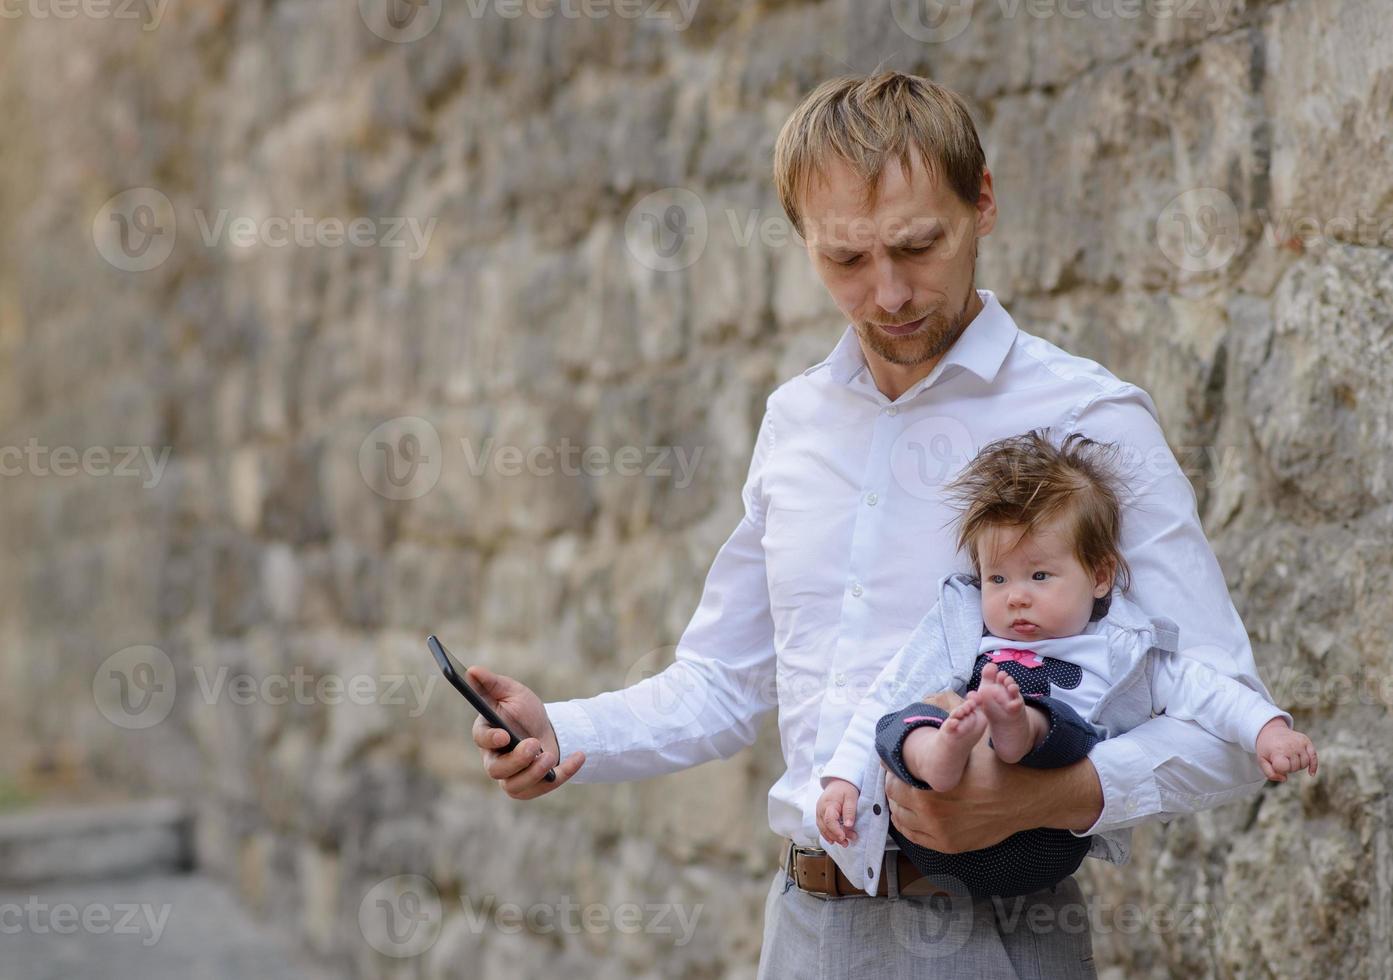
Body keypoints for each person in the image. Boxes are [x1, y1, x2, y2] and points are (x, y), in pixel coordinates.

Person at [467, 70, 1293, 978]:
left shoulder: (1091, 418)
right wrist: (561, 730)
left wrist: (1048, 797)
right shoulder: (794, 421)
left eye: (917, 246)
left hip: (997, 932)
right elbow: (722, 683)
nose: (889, 294)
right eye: (846, 260)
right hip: (805, 929)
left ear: (981, 203)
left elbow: (1225, 721)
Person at [815, 428, 1317, 900]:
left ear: (1099, 576)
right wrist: (845, 779)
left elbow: (1208, 691)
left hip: (1039, 845)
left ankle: (1017, 725)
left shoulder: (1121, 650)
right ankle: (942, 753)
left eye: (1039, 575)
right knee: (906, 718)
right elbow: (889, 688)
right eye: (998, 580)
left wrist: (1267, 729)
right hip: (933, 837)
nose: (1016, 598)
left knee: (1061, 726)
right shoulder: (963, 629)